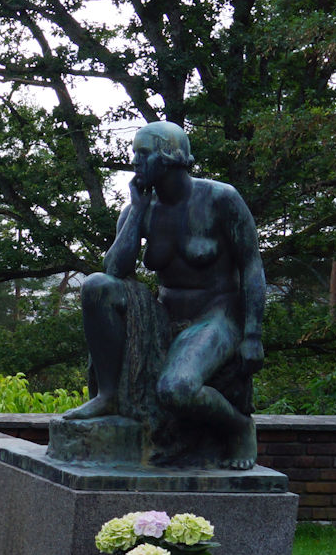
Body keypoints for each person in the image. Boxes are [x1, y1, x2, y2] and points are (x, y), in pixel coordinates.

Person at [63, 122, 264, 469]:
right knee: (97, 285)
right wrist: (138, 210)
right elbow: (114, 270)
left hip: (216, 315)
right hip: (163, 313)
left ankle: (239, 426)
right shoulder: (140, 209)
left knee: (176, 389)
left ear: (171, 157)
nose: (135, 161)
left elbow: (252, 267)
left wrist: (252, 335)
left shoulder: (221, 198)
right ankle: (108, 396)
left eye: (143, 153)